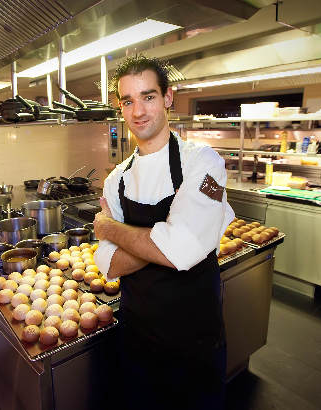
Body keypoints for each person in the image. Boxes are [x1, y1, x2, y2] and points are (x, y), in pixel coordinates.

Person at [93, 55, 234, 409]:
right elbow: (108, 263)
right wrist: (166, 238)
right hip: (138, 338)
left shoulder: (204, 164)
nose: (138, 111)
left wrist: (112, 227)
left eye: (148, 96)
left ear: (168, 97)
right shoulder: (116, 179)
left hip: (195, 343)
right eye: (128, 101)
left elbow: (180, 251)